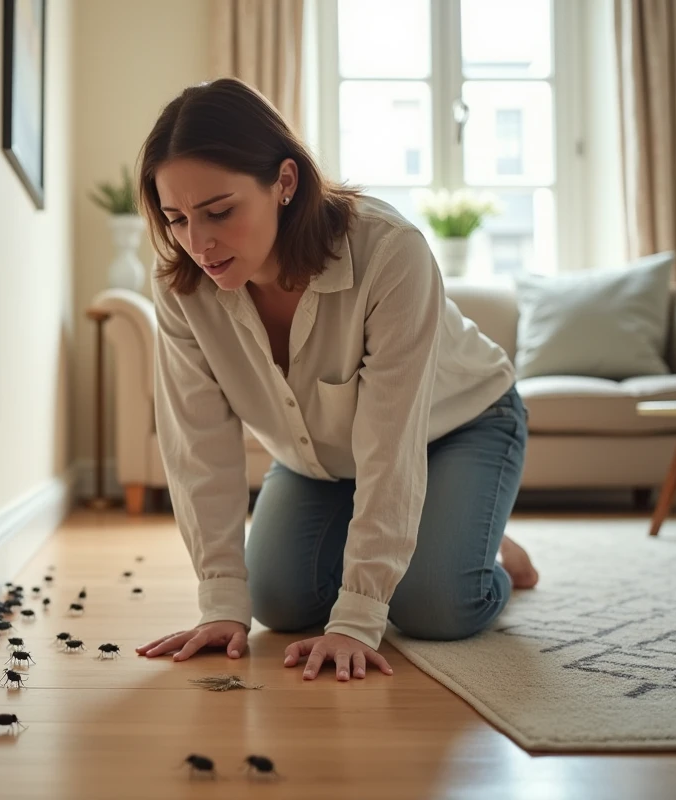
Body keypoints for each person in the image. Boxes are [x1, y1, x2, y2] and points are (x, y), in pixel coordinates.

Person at [133, 78, 539, 682]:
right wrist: (221, 604)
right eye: (176, 219)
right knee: (279, 604)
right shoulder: (182, 287)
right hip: (321, 457)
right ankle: (437, 536)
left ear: (285, 183)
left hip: (458, 424)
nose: (199, 243)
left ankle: (488, 554)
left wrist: (356, 618)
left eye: (219, 212)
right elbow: (198, 445)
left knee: (433, 606)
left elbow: (391, 442)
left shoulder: (389, 252)